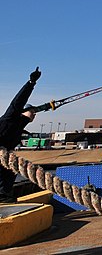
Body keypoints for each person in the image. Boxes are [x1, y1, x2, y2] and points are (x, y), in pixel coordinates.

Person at [0, 68, 41, 203]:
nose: (34, 115)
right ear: (23, 111)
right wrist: (31, 82)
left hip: (3, 153)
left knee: (11, 169)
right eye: (32, 112)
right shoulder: (10, 117)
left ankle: (3, 195)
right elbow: (18, 100)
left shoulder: (20, 125)